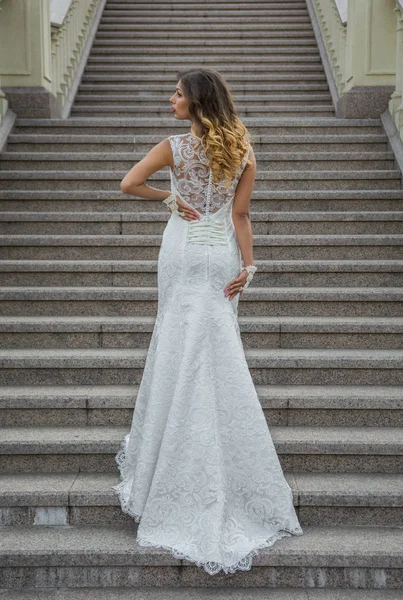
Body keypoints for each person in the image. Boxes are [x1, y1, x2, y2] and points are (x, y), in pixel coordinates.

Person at [112, 67, 303, 576]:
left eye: (176, 93)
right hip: (220, 252)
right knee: (217, 348)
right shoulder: (241, 150)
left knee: (178, 342)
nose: (170, 98)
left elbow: (129, 183)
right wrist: (249, 267)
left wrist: (170, 198)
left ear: (195, 101)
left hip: (182, 248)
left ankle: (171, 462)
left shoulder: (173, 147)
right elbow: (240, 216)